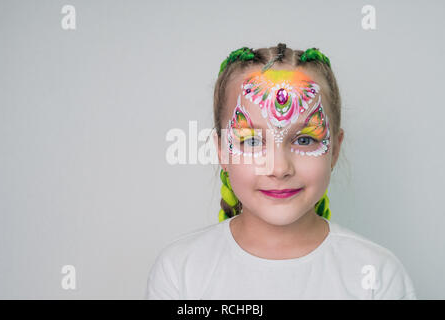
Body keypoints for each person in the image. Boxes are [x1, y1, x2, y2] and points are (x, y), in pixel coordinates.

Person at [146, 43, 416, 299]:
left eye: (304, 140)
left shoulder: (377, 276)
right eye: (252, 141)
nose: (279, 168)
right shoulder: (180, 272)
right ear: (222, 151)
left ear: (334, 150)